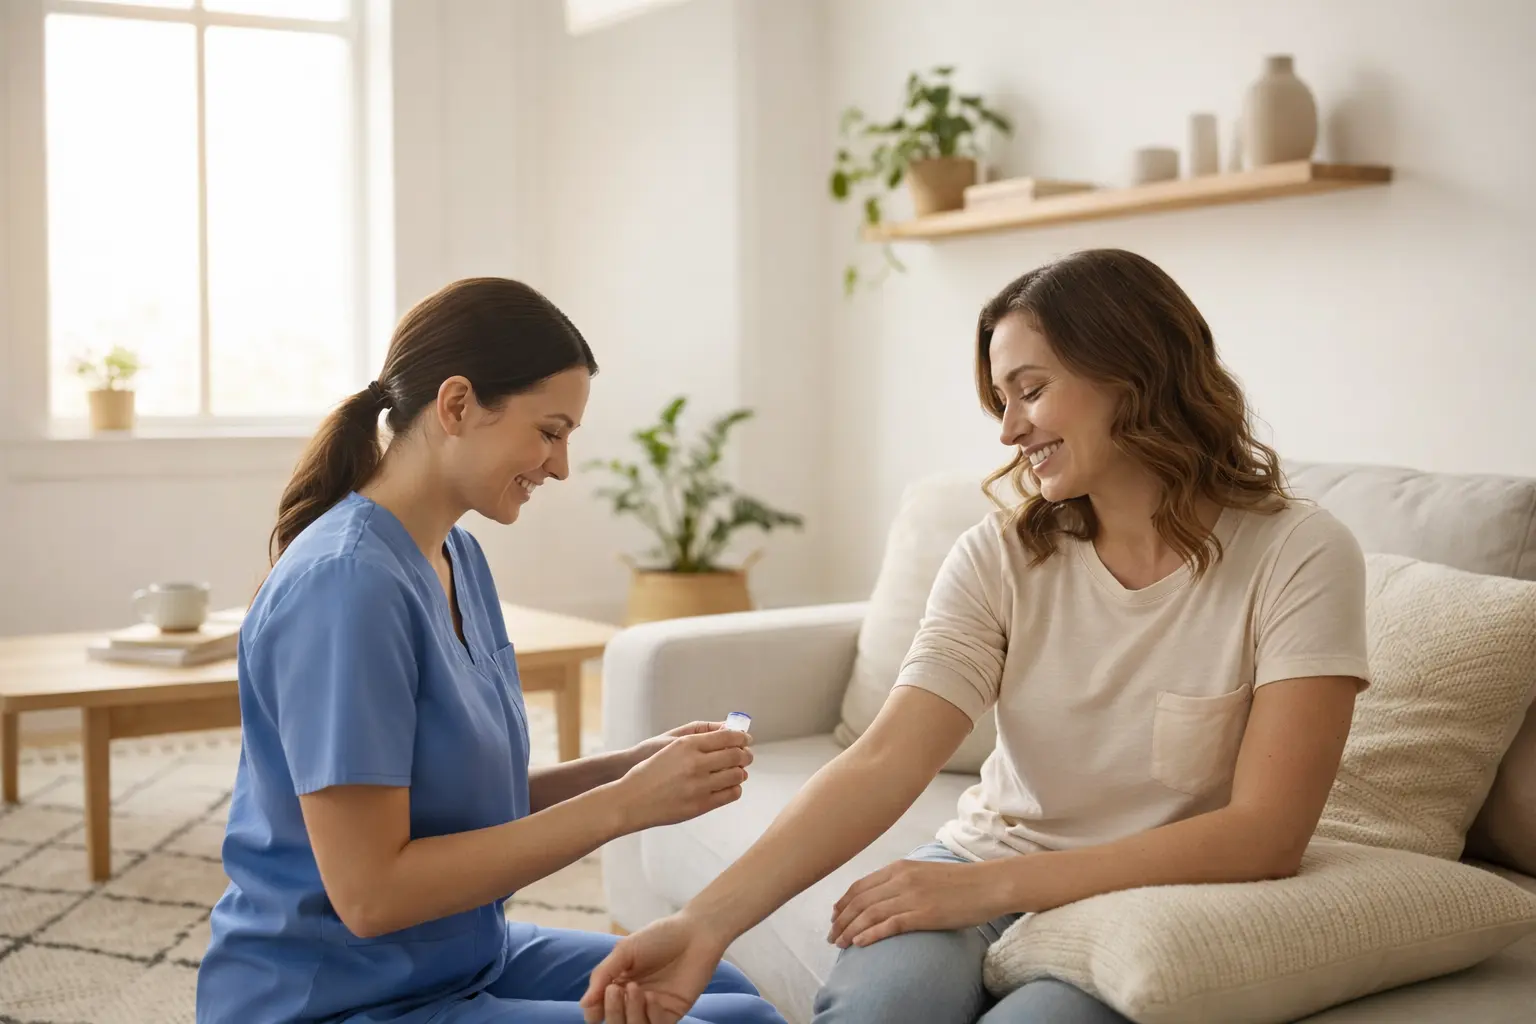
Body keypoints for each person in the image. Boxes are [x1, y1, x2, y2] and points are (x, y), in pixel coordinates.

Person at [577, 249, 1371, 1024]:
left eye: (1030, 391)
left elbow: (1266, 835)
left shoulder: (1298, 553)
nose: (1010, 431)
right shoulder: (1001, 555)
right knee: (879, 1009)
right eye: (1002, 400)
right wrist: (706, 923)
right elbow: (887, 760)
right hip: (983, 859)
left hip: (1151, 901)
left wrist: (992, 891)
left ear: (1133, 374)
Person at [195, 278, 787, 1024]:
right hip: (337, 998)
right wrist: (623, 807)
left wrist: (631, 768)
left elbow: (460, 809)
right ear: (457, 405)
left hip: (459, 956)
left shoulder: (457, 555)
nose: (562, 465)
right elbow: (372, 895)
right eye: (550, 431)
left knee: (729, 996)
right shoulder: (347, 587)